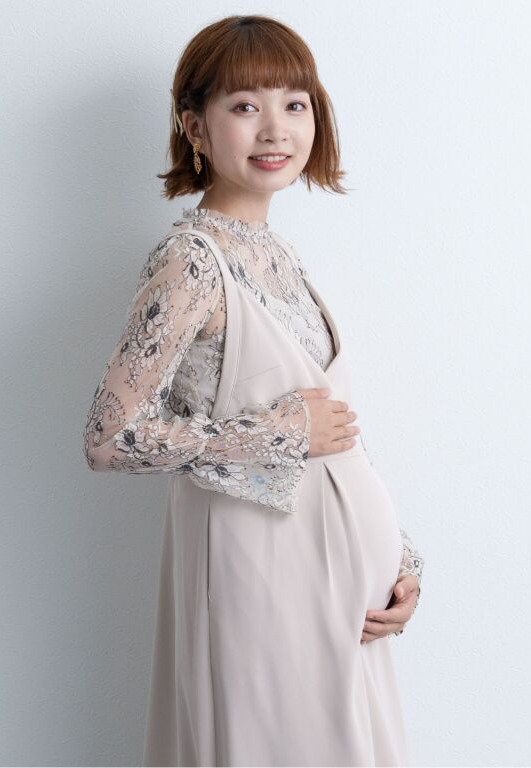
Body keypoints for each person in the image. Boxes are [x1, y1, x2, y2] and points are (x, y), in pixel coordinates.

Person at [83, 14, 424, 767]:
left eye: (294, 104)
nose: (275, 129)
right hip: (261, 574)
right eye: (245, 106)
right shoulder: (191, 260)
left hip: (345, 594)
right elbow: (110, 437)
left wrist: (398, 559)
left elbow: (333, 430)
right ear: (195, 127)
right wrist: (283, 433)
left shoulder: (280, 255)